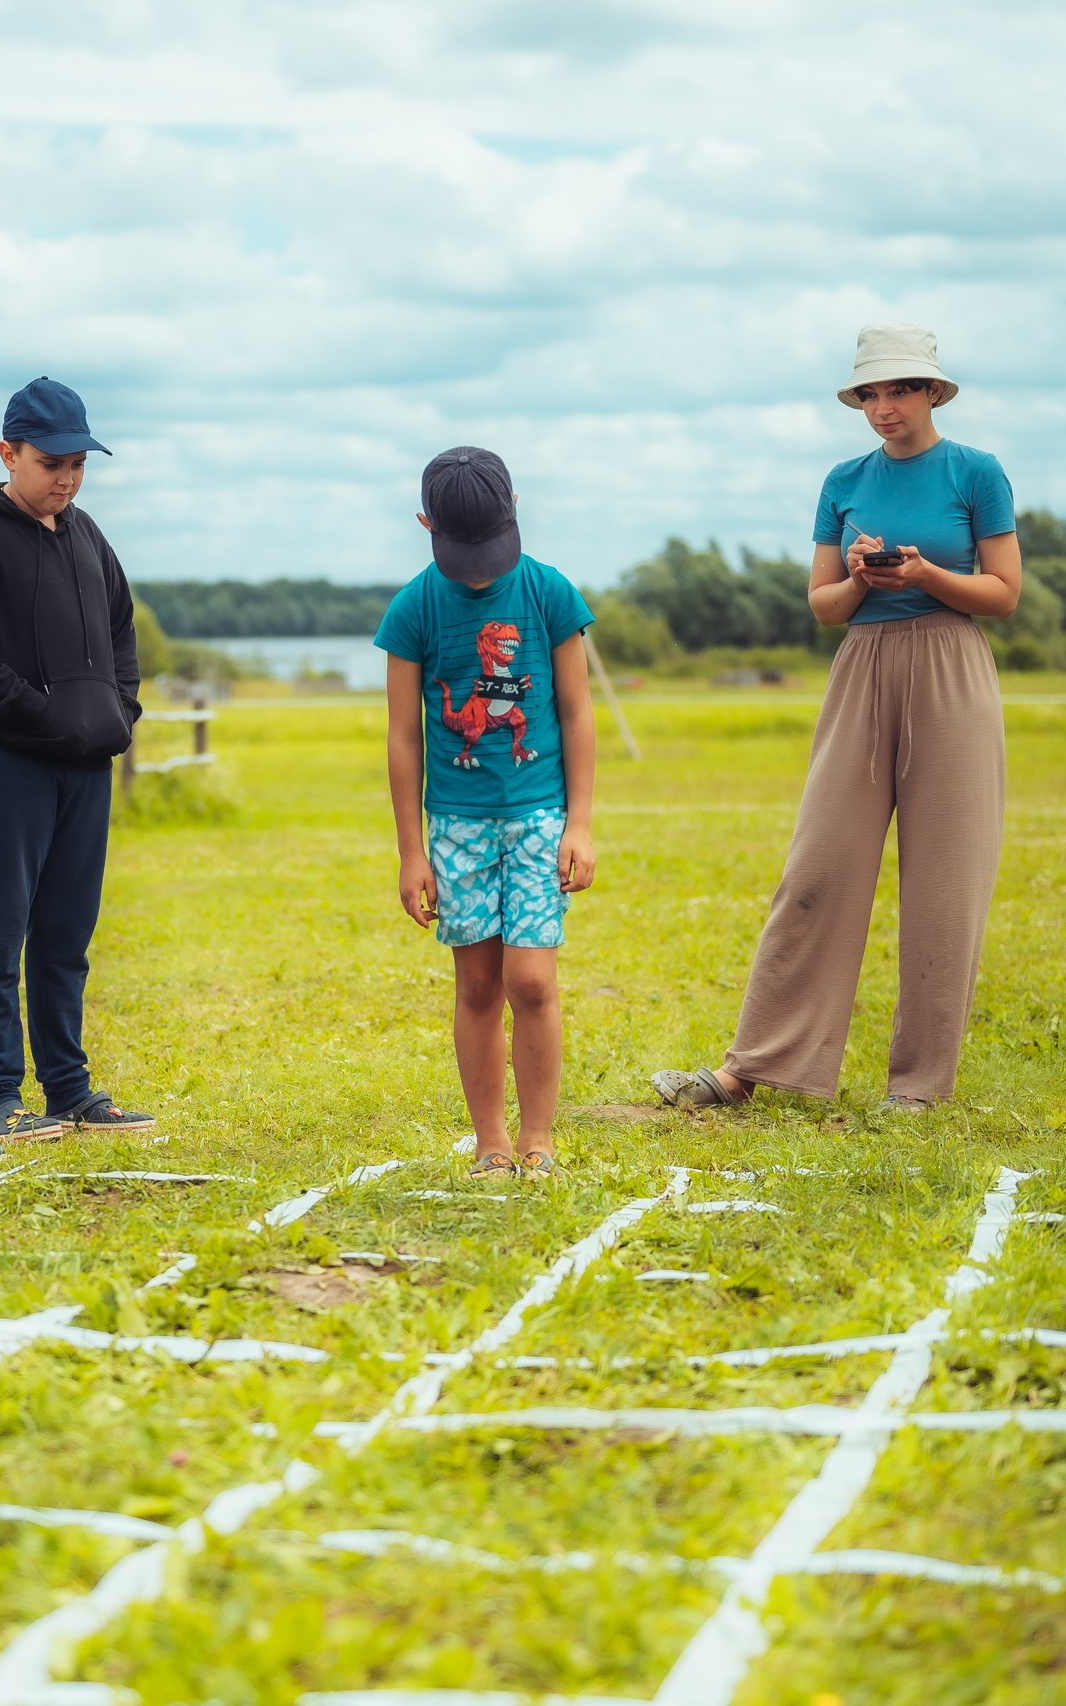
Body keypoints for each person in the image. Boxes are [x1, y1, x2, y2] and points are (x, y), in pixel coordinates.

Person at [650, 322, 1019, 1113]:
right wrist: (858, 578)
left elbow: (1004, 592)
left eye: (898, 390)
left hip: (953, 667)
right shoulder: (841, 481)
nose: (883, 407)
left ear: (931, 391)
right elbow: (822, 607)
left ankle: (918, 1089)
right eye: (869, 394)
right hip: (862, 665)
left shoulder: (977, 473)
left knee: (945, 885)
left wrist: (926, 573)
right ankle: (748, 1067)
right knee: (818, 868)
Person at [0, 378, 156, 1142]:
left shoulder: (86, 534)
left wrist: (120, 710)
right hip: (3, 761)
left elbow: (121, 627)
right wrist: (40, 712)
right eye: (52, 462)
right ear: (8, 453)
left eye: (78, 464)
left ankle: (69, 1090)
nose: (65, 477)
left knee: (66, 935)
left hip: (85, 766)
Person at [377, 447, 597, 1180]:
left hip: (538, 818)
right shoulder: (414, 607)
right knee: (476, 984)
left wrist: (582, 822)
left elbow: (574, 710)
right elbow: (405, 735)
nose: (480, 570)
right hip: (457, 827)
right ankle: (491, 1144)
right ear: (425, 525)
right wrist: (412, 852)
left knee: (531, 982)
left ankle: (540, 1140)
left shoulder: (549, 594)